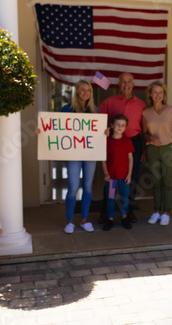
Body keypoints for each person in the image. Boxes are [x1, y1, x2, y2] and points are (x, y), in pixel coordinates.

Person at [99, 73, 147, 223]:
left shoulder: (141, 104)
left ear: (133, 84)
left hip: (133, 143)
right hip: (113, 142)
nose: (126, 85)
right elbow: (98, 122)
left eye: (129, 82)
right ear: (119, 84)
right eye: (123, 82)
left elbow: (144, 128)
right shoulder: (108, 102)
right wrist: (105, 130)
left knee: (130, 179)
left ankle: (128, 211)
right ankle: (106, 213)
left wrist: (144, 149)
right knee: (110, 179)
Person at [142, 81, 172, 226]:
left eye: (160, 92)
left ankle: (166, 213)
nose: (157, 95)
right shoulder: (146, 113)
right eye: (155, 92)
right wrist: (150, 137)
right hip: (152, 149)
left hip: (168, 148)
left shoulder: (171, 110)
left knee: (167, 182)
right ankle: (156, 211)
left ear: (164, 95)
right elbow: (144, 133)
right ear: (150, 94)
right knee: (156, 182)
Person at [62, 80, 99, 234]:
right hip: (73, 153)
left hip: (90, 153)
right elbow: (57, 129)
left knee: (88, 187)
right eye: (82, 90)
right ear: (77, 91)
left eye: (88, 90)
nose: (85, 93)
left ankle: (84, 220)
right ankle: (69, 221)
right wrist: (43, 131)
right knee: (72, 187)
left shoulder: (95, 111)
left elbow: (98, 131)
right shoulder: (67, 109)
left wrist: (105, 132)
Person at [101, 114, 135, 231]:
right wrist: (106, 173)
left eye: (122, 125)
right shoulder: (107, 141)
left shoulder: (127, 141)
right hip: (112, 178)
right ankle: (110, 218)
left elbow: (130, 158)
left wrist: (129, 174)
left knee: (125, 197)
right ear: (112, 125)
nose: (120, 127)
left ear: (125, 127)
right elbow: (103, 159)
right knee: (110, 198)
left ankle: (124, 217)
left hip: (124, 177)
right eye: (117, 124)